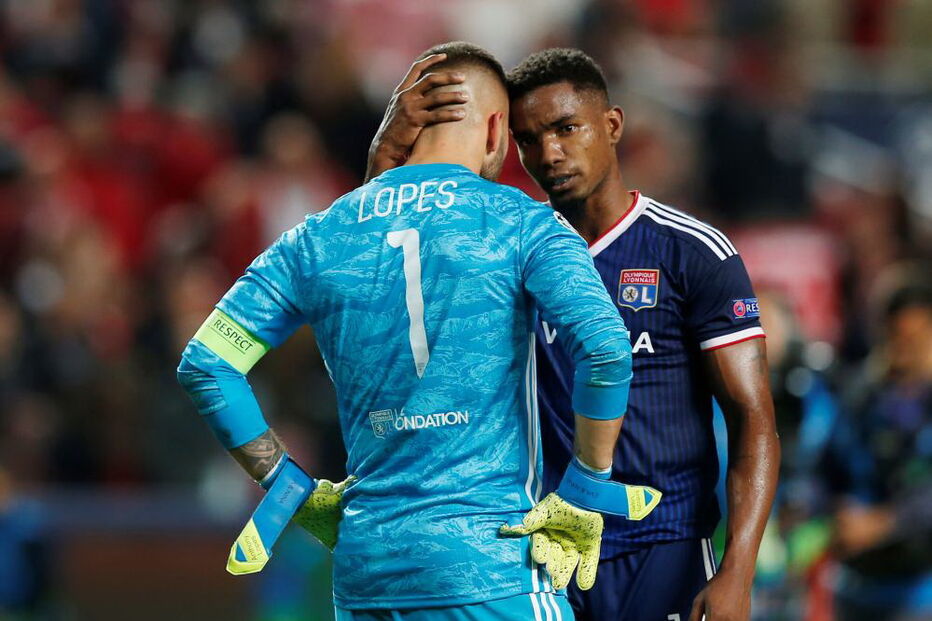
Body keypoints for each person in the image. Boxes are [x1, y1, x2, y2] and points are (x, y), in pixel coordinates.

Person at [179, 42, 654, 620]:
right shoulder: (521, 223)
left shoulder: (317, 238)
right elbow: (606, 351)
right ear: (497, 129)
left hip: (367, 577)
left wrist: (286, 484)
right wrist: (585, 485)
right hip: (491, 569)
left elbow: (208, 363)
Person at [367, 47, 780, 621]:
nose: (549, 154)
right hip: (537, 555)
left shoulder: (691, 253)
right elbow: (377, 269)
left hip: (662, 550)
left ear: (611, 126)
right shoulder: (507, 248)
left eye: (566, 129)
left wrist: (739, 570)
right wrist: (385, 153)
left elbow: (752, 416)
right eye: (529, 140)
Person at [822, 277, 932, 621]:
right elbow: (830, 466)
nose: (902, 348)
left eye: (914, 338)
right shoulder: (863, 397)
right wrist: (818, 508)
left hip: (920, 588)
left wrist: (883, 523)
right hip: (856, 583)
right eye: (895, 336)